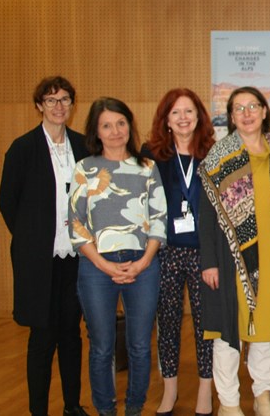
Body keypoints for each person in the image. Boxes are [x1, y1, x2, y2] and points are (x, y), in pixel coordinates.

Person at [0, 76, 91, 416]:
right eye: (51, 100)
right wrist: (33, 238)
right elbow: (7, 201)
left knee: (70, 334)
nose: (58, 106)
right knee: (42, 337)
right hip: (39, 261)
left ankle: (71, 405)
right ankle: (38, 410)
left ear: (72, 104)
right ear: (39, 105)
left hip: (76, 258)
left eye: (65, 99)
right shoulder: (23, 148)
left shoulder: (82, 146)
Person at [68, 97, 167, 416]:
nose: (115, 131)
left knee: (139, 346)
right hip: (97, 267)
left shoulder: (147, 167)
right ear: (96, 132)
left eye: (121, 123)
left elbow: (159, 220)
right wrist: (104, 265)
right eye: (106, 125)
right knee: (101, 347)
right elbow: (76, 224)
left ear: (130, 125)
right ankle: (105, 410)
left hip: (144, 264)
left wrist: (143, 262)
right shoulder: (85, 169)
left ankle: (135, 408)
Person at [198, 87, 270, 416]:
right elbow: (205, 215)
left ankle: (263, 395)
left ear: (265, 112)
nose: (247, 112)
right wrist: (209, 262)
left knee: (265, 329)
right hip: (229, 256)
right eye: (239, 108)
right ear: (231, 116)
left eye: (253, 106)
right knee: (229, 332)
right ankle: (229, 402)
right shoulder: (218, 155)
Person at [142, 89, 217, 416]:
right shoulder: (151, 155)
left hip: (205, 254)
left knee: (206, 326)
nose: (183, 118)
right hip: (165, 252)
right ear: (166, 120)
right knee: (168, 323)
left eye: (189, 111)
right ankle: (169, 390)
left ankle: (205, 390)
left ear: (199, 116)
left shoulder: (213, 154)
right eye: (176, 113)